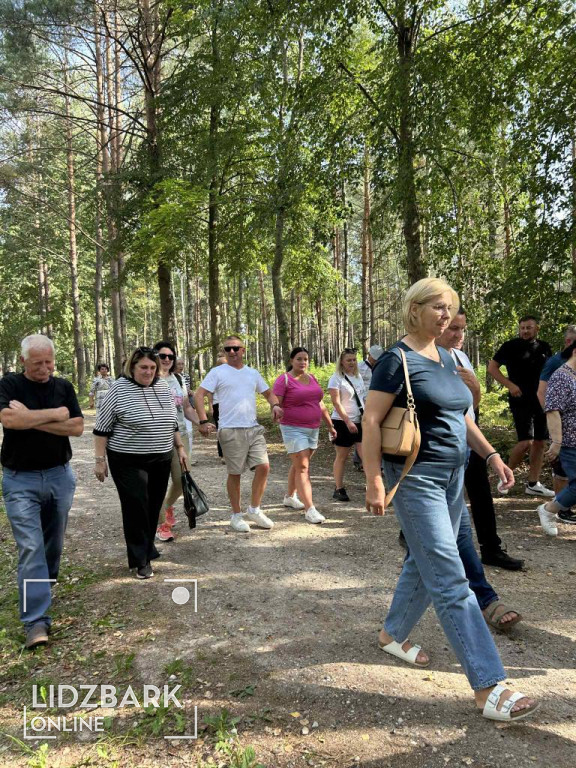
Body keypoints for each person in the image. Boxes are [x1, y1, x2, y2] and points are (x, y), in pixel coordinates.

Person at [363, 278, 538, 722]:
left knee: (421, 562)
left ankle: (391, 634)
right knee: (450, 577)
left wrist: (493, 455)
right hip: (415, 476)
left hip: (454, 475)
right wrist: (372, 481)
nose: (445, 315)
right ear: (414, 309)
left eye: (449, 307)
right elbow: (370, 420)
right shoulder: (395, 360)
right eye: (436, 307)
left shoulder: (445, 357)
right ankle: (489, 686)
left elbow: (462, 415)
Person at [0, 334, 84, 649]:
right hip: (19, 480)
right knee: (31, 547)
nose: (45, 368)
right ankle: (36, 621)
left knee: (52, 542)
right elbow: (8, 419)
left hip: (60, 477)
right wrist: (55, 415)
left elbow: (76, 426)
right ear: (23, 361)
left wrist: (30, 420)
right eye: (38, 363)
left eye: (49, 362)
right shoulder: (9, 385)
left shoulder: (62, 387)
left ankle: (42, 585)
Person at [437, 310, 524, 570]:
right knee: (440, 496)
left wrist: (475, 389)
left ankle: (491, 548)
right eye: (453, 328)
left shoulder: (461, 357)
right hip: (442, 440)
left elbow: (471, 406)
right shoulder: (428, 359)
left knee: (481, 493)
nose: (459, 334)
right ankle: (415, 537)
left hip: (470, 436)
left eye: (462, 328)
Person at [93, 347, 188, 579]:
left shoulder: (162, 386)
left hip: (161, 457)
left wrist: (180, 448)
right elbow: (101, 429)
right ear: (132, 368)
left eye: (152, 368)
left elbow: (173, 421)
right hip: (127, 460)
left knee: (154, 505)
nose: (148, 372)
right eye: (143, 367)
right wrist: (99, 460)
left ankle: (147, 548)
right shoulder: (118, 389)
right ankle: (140, 560)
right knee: (136, 505)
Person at [195, 335, 282, 532]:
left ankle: (254, 509)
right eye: (228, 349)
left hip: (253, 428)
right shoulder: (217, 372)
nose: (232, 352)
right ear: (224, 352)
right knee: (235, 473)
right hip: (230, 429)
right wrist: (202, 420)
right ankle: (236, 515)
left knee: (264, 466)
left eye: (236, 348)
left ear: (243, 350)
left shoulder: (252, 373)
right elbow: (199, 394)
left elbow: (268, 393)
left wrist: (275, 405)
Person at [488, 316, 553, 496]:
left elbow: (550, 372)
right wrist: (510, 385)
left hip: (541, 400)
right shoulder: (510, 346)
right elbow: (492, 368)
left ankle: (533, 483)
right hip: (520, 399)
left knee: (540, 442)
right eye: (522, 328)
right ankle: (505, 477)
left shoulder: (544, 347)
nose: (525, 331)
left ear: (536, 329)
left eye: (529, 328)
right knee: (525, 442)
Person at [273, 347, 337, 523]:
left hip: (313, 428)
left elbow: (320, 404)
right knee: (303, 467)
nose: (303, 362)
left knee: (300, 464)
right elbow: (275, 404)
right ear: (291, 360)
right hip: (292, 428)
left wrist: (330, 426)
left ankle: (289, 497)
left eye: (306, 359)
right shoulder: (284, 380)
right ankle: (310, 509)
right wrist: (275, 411)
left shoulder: (312, 378)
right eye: (299, 359)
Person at [153, 342, 199, 542]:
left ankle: (165, 507)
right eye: (162, 355)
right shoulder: (149, 379)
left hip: (181, 435)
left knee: (182, 479)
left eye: (170, 357)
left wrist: (202, 422)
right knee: (158, 482)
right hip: (157, 438)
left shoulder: (178, 378)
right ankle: (160, 523)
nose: (166, 359)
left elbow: (187, 407)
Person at [537, 340, 576, 536]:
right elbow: (552, 411)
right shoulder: (562, 376)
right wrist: (557, 442)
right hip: (571, 442)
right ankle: (548, 510)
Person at [328, 348, 366, 501]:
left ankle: (373, 488)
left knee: (366, 456)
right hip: (342, 421)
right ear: (342, 362)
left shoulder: (358, 377)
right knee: (342, 456)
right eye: (348, 360)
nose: (352, 362)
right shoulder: (336, 378)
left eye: (354, 359)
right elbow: (336, 402)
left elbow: (363, 399)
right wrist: (348, 421)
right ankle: (339, 488)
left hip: (360, 420)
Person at [208, 351, 227, 462]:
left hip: (230, 405)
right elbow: (209, 392)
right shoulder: (213, 374)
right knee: (221, 430)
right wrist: (210, 406)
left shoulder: (233, 373)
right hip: (218, 405)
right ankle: (223, 454)